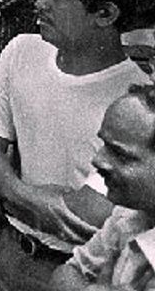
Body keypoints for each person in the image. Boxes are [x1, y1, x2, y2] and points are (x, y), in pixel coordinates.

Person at [0, 0, 155, 290]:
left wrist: (8, 186)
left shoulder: (135, 103)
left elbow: (93, 213)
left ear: (105, 14)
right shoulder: (21, 50)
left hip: (89, 272)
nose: (37, 3)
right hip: (11, 253)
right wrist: (32, 196)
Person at [53, 87, 155, 290]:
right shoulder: (128, 215)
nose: (98, 160)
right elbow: (64, 274)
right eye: (104, 145)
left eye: (120, 154)